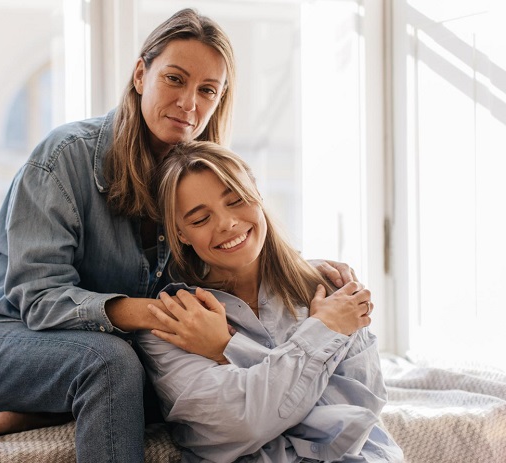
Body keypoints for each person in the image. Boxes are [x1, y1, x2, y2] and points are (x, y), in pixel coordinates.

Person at [0, 8, 361, 462]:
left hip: (102, 346)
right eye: (175, 79)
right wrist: (161, 314)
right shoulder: (64, 158)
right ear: (140, 74)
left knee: (190, 369)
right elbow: (37, 300)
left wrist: (300, 271)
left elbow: (227, 247)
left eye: (206, 90)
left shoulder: (195, 176)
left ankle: (49, 408)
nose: (189, 104)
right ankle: (60, 395)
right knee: (112, 362)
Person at [136, 141, 403, 462]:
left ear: (258, 194)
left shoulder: (333, 290)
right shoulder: (170, 322)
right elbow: (242, 423)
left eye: (236, 200)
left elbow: (357, 417)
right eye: (199, 219)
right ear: (180, 234)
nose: (226, 223)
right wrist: (324, 330)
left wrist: (228, 349)